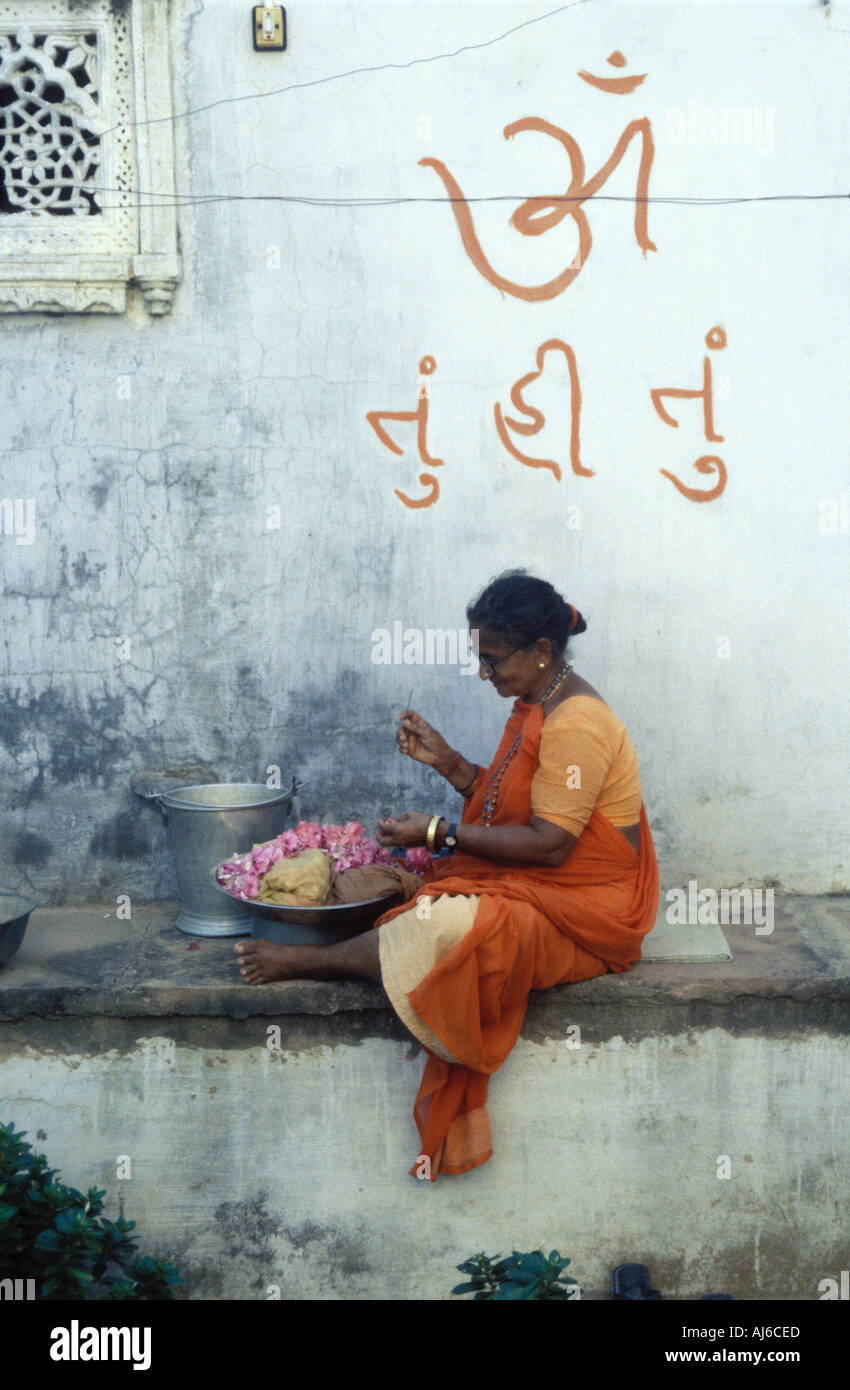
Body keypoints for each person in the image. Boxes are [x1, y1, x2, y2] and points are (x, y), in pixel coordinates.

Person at [235, 569, 659, 1179]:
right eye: (480, 659)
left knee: (453, 923)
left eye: (494, 660)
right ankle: (361, 941)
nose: (485, 674)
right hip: (546, 883)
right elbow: (510, 804)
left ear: (541, 652)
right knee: (389, 885)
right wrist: (449, 762)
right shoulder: (537, 701)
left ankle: (304, 961)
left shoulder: (577, 723)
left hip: (589, 909)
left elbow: (548, 846)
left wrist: (436, 832)